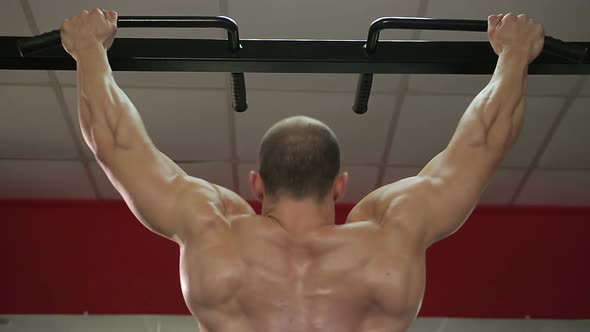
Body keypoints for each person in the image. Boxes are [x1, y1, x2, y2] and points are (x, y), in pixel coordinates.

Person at [60, 9, 545, 332]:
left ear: (256, 182)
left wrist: (89, 51)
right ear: (340, 185)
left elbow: (115, 143)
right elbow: (482, 143)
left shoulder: (212, 230)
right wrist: (515, 55)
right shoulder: (390, 237)